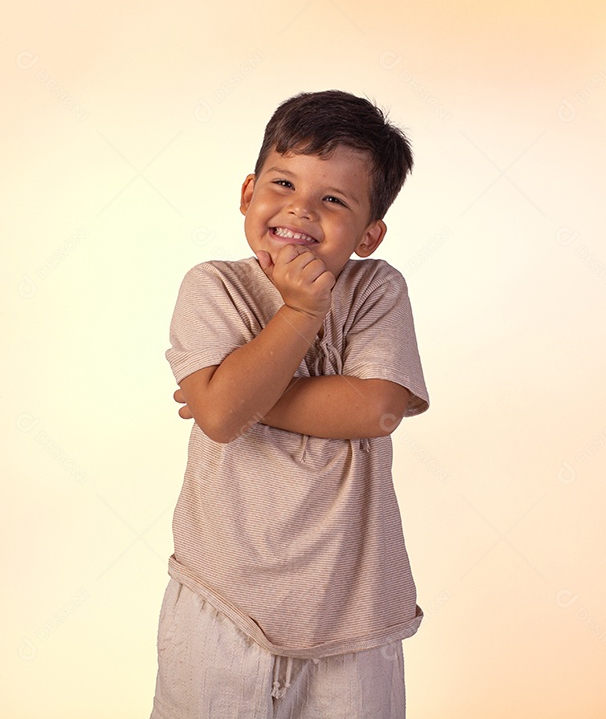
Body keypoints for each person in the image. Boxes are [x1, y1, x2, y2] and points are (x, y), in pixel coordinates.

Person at [151, 90, 430, 719]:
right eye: (284, 183)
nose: (300, 209)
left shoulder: (374, 290)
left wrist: (231, 393)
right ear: (249, 194)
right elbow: (222, 421)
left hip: (353, 610)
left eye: (333, 199)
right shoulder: (214, 286)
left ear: (368, 233)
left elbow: (376, 409)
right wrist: (292, 323)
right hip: (221, 600)